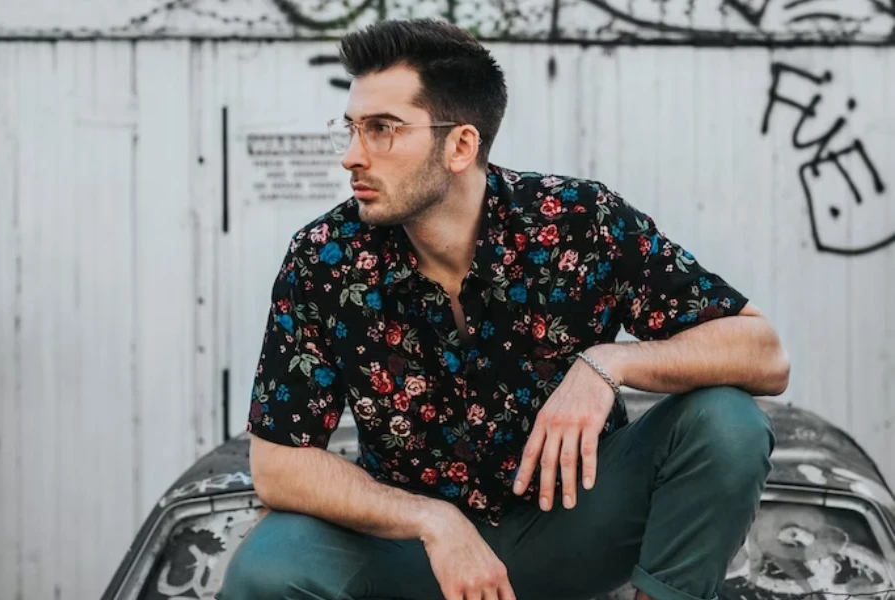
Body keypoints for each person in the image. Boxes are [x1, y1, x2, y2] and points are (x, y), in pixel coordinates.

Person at [219, 18, 789, 600]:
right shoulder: (325, 258)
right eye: (352, 128)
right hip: (416, 558)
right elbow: (278, 465)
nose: (351, 156)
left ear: (461, 145)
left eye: (382, 129)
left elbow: (763, 353)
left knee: (727, 421)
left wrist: (608, 363)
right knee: (268, 566)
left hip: (573, 523)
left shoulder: (577, 223)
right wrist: (432, 521)